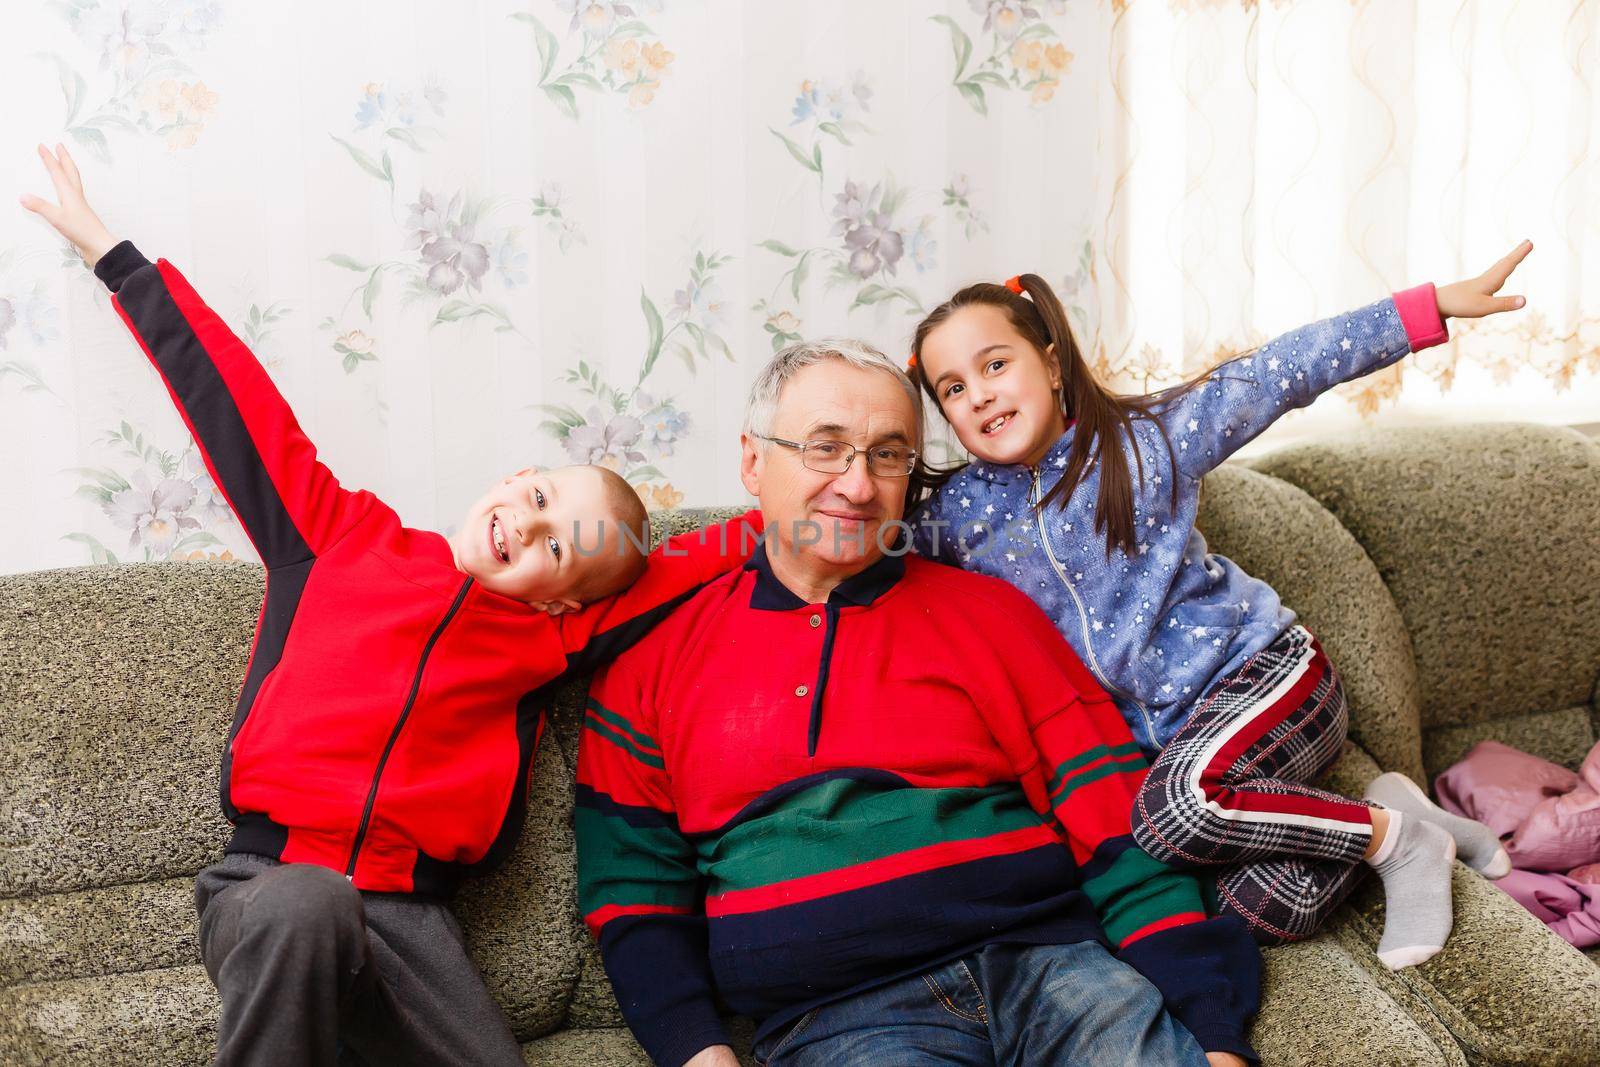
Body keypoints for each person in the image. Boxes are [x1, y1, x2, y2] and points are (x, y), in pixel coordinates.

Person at [20, 142, 763, 1067]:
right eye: (539, 501)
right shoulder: (337, 539)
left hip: (410, 922)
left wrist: (839, 506)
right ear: (516, 477)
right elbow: (236, 404)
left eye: (558, 547)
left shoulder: (542, 642)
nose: (527, 530)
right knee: (309, 903)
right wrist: (113, 256)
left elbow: (697, 559)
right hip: (269, 885)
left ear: (565, 605)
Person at [576, 338, 1261, 1067]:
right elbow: (633, 891)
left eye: (888, 454)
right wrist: (698, 1051)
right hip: (845, 1018)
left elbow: (1118, 823)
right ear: (752, 461)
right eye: (826, 447)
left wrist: (1211, 1030)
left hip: (1055, 970)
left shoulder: (991, 615)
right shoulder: (650, 659)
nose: (858, 484)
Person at [906, 253, 1529, 968]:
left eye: (994, 365)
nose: (979, 395)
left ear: (1050, 365)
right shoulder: (961, 515)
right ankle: (1396, 813)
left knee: (1171, 812)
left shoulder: (1144, 442)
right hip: (1183, 755)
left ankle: (1402, 844)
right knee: (1250, 907)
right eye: (952, 387)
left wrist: (1422, 311)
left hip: (1273, 681)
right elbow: (857, 535)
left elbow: (1275, 374)